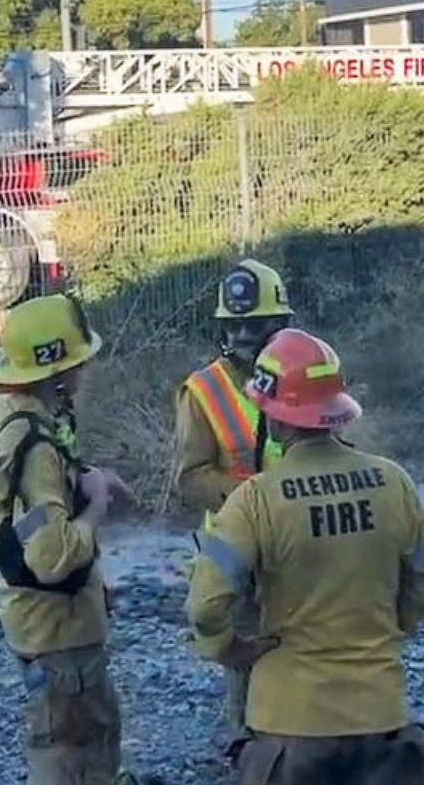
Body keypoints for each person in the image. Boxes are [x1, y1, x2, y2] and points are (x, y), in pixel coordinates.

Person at [185, 328, 424, 785]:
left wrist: (233, 650)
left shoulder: (253, 500)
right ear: (336, 413)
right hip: (381, 715)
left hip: (290, 725)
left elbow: (205, 607)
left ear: (275, 419)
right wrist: (383, 631)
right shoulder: (394, 482)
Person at [0, 292, 141, 785]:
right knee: (71, 743)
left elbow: (21, 513)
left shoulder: (7, 417)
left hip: (35, 618)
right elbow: (52, 555)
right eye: (77, 362)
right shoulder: (37, 445)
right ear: (58, 374)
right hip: (58, 630)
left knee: (82, 728)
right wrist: (96, 507)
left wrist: (87, 478)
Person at [174, 259, 294, 747]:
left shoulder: (302, 373)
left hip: (301, 543)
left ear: (280, 325)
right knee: (247, 658)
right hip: (239, 550)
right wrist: (256, 501)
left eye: (257, 324)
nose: (245, 334)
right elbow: (190, 479)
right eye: (236, 324)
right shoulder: (203, 391)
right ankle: (249, 750)